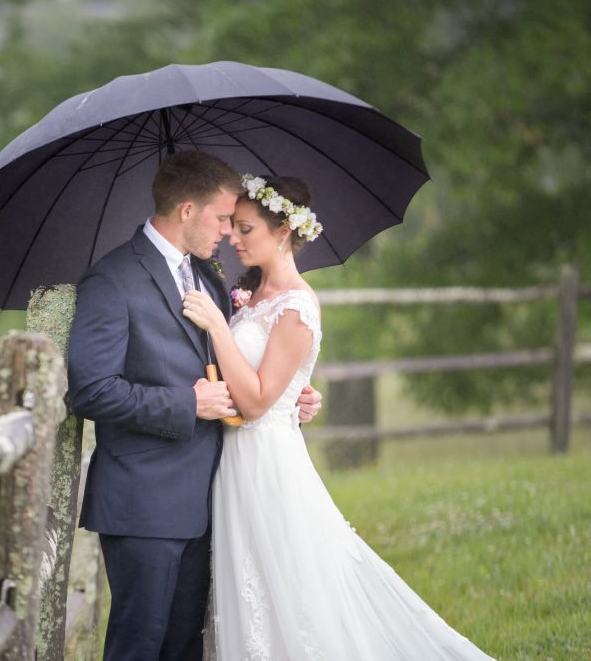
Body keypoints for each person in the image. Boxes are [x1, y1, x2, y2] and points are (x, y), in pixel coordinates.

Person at [181, 174, 493, 660]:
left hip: (267, 465)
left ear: (283, 231)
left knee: (289, 589)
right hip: (235, 460)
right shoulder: (248, 294)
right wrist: (293, 393)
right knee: (249, 587)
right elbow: (265, 377)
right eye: (233, 227)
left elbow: (260, 400)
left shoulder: (297, 306)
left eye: (246, 229)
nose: (233, 238)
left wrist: (221, 329)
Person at [68, 151, 323, 661]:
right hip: (143, 502)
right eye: (223, 218)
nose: (230, 232)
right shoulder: (112, 280)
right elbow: (90, 390)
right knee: (139, 645)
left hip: (213, 500)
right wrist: (187, 403)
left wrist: (289, 391)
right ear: (188, 210)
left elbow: (235, 362)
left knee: (186, 646)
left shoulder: (206, 276)